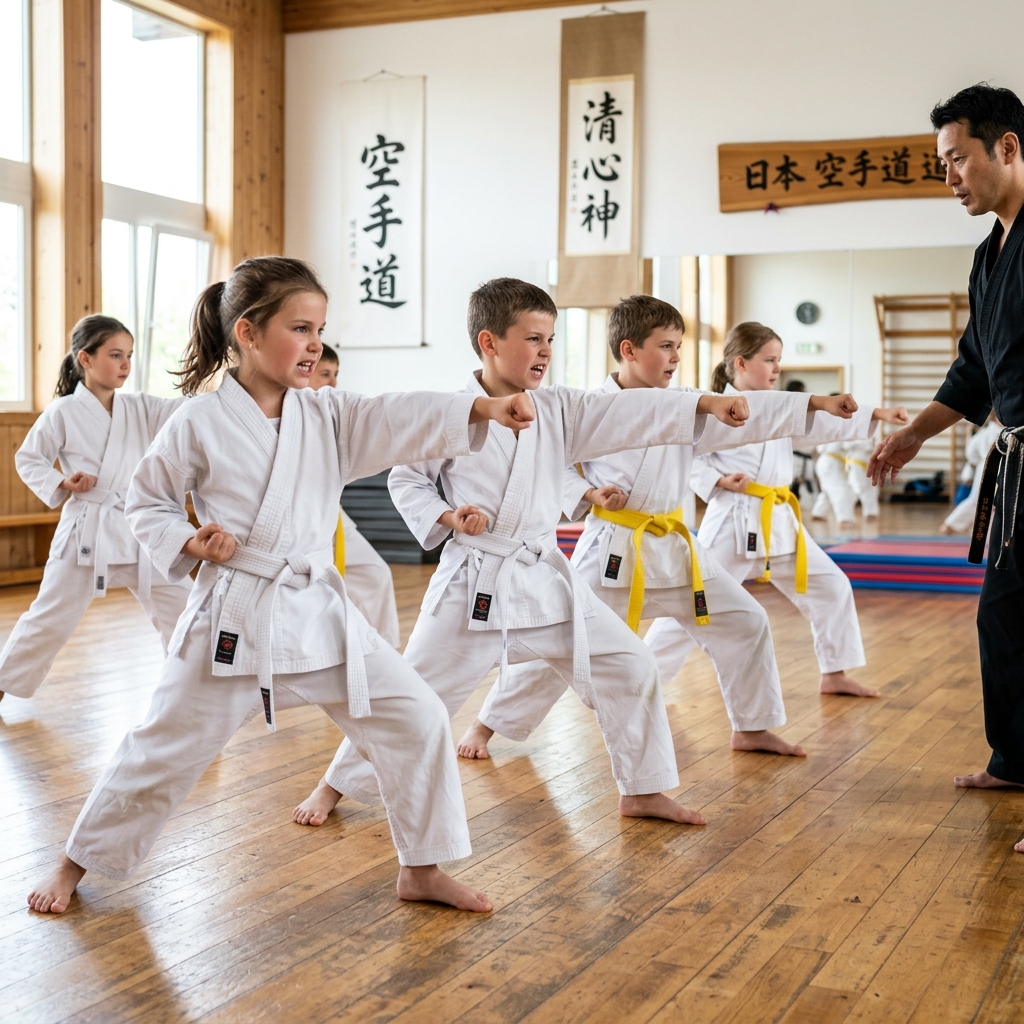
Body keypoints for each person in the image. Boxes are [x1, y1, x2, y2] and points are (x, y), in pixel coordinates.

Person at [27, 256, 534, 915]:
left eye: (319, 329)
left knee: (418, 715)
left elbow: (396, 413)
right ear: (247, 332)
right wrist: (190, 541)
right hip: (236, 615)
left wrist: (482, 406)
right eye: (300, 328)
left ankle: (423, 867)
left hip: (318, 610)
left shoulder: (328, 415)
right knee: (163, 746)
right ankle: (73, 862)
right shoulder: (198, 422)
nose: (315, 343)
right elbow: (147, 502)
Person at [294, 278, 761, 832]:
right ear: (489, 342)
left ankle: (644, 789)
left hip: (544, 575)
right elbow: (407, 480)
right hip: (476, 580)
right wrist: (448, 517)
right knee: (415, 693)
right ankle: (333, 785)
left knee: (630, 664)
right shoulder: (452, 411)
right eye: (533, 338)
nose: (545, 351)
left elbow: (633, 413)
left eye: (551, 339)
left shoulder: (559, 407)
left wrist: (706, 402)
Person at [455, 294, 859, 762]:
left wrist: (817, 403)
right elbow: (554, 465)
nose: (676, 357)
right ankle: (485, 725)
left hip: (674, 547)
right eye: (666, 346)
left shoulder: (687, 404)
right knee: (567, 640)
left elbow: (754, 413)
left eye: (679, 347)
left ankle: (753, 726)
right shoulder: (589, 408)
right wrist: (589, 493)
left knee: (746, 621)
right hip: (614, 551)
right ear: (628, 349)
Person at [868, 85, 1024, 823]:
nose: (950, 177)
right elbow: (973, 371)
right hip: (1017, 462)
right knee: (1003, 615)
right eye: (943, 164)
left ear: (1008, 147)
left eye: (958, 159)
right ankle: (1015, 760)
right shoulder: (989, 255)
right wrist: (913, 435)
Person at [645, 322, 908, 700]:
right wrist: (718, 480)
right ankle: (647, 678)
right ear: (740, 363)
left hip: (780, 521)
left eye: (778, 360)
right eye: (769, 360)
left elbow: (823, 422)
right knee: (694, 601)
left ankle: (834, 673)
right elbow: (685, 456)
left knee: (831, 587)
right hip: (734, 521)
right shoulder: (714, 407)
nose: (777, 368)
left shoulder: (783, 410)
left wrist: (877, 414)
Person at [0, 316, 192, 703]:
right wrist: (62, 482)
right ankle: (3, 683)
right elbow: (29, 459)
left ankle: (189, 689)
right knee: (51, 616)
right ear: (85, 359)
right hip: (88, 531)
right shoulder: (63, 412)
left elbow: (187, 411)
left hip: (140, 529)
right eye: (115, 355)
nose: (125, 364)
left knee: (186, 608)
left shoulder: (140, 407)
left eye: (129, 356)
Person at [311, 343, 400, 649]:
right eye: (325, 374)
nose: (333, 381)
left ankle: (383, 650)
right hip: (299, 523)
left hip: (332, 515)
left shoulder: (334, 412)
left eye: (335, 374)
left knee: (376, 574)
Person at [940, 415, 1001, 534]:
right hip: (990, 467)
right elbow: (971, 452)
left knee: (991, 503)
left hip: (984, 466)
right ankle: (950, 525)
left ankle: (983, 531)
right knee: (979, 500)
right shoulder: (997, 433)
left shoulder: (985, 432)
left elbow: (971, 452)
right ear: (994, 418)